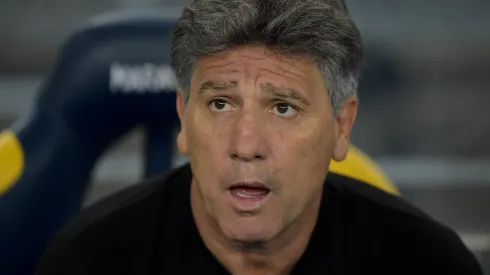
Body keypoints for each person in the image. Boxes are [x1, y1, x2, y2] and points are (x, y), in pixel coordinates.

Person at [35, 0, 482, 274]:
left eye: (283, 108)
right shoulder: (87, 261)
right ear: (183, 119)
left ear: (341, 127)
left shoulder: (428, 263)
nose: (246, 145)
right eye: (220, 104)